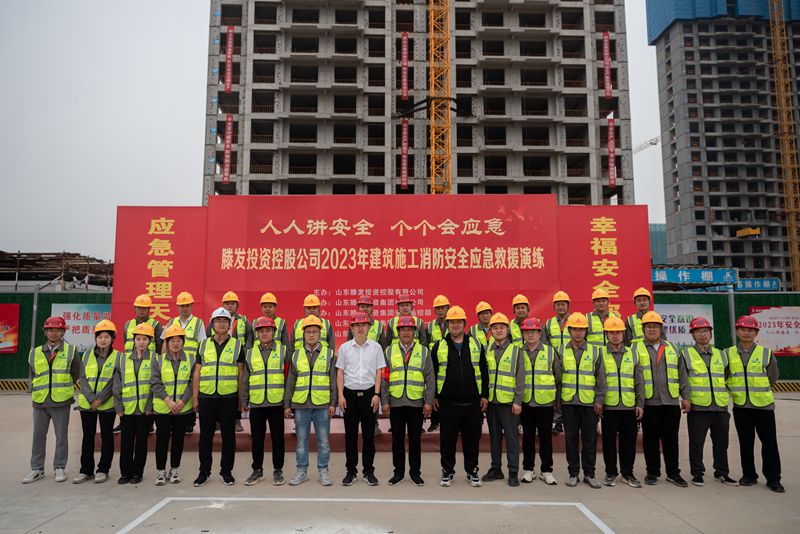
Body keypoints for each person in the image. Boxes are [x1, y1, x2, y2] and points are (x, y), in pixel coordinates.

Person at [431, 306, 489, 487]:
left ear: (465, 324)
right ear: (447, 324)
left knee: (472, 440)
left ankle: (472, 471)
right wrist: (434, 396)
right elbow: (433, 374)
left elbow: (484, 371)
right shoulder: (439, 346)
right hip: (447, 403)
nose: (455, 325)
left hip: (473, 403)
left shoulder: (476, 344)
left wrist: (484, 395)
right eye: (452, 322)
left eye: (458, 322)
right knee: (447, 440)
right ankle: (447, 471)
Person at [632, 311, 689, 487]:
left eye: (655, 326)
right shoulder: (635, 349)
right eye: (648, 326)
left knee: (671, 439)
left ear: (661, 329)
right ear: (643, 329)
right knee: (650, 439)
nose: (652, 329)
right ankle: (652, 472)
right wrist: (638, 402)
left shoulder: (673, 348)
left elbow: (682, 374)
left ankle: (673, 473)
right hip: (649, 402)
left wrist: (685, 397)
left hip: (670, 401)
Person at [727, 315, 784, 492]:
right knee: (745, 442)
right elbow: (725, 376)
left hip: (763, 406)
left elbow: (773, 377)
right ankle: (749, 475)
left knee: (769, 443)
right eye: (743, 329)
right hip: (741, 406)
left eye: (750, 330)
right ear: (737, 331)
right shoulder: (728, 353)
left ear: (756, 333)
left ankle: (773, 478)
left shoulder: (766, 353)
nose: (746, 333)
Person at [22, 316, 80, 484]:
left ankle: (59, 467)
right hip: (40, 401)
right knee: (38, 436)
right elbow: (33, 374)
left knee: (61, 436)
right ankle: (37, 469)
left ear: (63, 332)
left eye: (58, 330)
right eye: (51, 330)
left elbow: (75, 373)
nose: (54, 333)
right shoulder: (35, 352)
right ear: (45, 331)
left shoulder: (71, 351)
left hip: (61, 401)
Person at [192, 307, 246, 487]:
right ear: (212, 324)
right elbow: (197, 372)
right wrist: (195, 398)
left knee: (228, 437)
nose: (221, 324)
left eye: (225, 321)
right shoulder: (203, 345)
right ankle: (204, 472)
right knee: (205, 437)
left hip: (228, 397)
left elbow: (240, 374)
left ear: (230, 325)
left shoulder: (237, 345)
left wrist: (240, 399)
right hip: (207, 397)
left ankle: (226, 472)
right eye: (218, 321)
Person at [682, 317, 738, 487]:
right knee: (696, 443)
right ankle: (697, 473)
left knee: (721, 443)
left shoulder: (721, 355)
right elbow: (683, 379)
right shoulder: (686, 354)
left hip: (720, 407)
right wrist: (685, 398)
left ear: (710, 334)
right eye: (698, 331)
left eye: (705, 331)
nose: (702, 334)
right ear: (693, 335)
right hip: (698, 407)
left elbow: (727, 376)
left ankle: (722, 472)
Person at [382, 315, 435, 486]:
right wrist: (385, 401)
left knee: (415, 441)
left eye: (409, 329)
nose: (406, 332)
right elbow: (384, 378)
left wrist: (428, 402)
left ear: (414, 332)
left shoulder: (424, 351)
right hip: (396, 403)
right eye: (403, 329)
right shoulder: (389, 351)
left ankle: (415, 473)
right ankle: (398, 473)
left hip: (416, 403)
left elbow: (430, 378)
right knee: (397, 441)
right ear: (397, 332)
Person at [284, 315, 337, 486]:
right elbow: (291, 381)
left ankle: (323, 471)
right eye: (308, 332)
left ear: (320, 334)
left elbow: (333, 380)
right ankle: (301, 471)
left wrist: (333, 403)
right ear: (303, 334)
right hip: (301, 404)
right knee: (301, 442)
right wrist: (287, 404)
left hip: (322, 405)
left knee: (324, 441)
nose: (311, 335)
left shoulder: (329, 354)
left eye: (314, 332)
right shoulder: (296, 355)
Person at [337, 312, 385, 486]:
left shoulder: (376, 347)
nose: (360, 328)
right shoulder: (344, 348)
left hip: (369, 395)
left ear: (369, 327)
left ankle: (368, 471)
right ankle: (351, 471)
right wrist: (341, 395)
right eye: (356, 325)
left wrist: (377, 394)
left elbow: (379, 371)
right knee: (350, 436)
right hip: (349, 395)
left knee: (368, 436)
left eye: (363, 325)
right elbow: (340, 372)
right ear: (351, 328)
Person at [560, 312, 606, 489]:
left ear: (586, 331)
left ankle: (589, 474)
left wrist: (599, 400)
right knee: (570, 439)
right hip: (569, 402)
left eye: (581, 329)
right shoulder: (561, 350)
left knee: (589, 440)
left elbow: (601, 378)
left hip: (589, 403)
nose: (578, 332)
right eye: (574, 329)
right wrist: (558, 400)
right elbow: (557, 377)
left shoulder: (595, 351)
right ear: (569, 331)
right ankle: (573, 473)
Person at [241, 317, 288, 486]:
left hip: (276, 402)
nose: (265, 333)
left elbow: (288, 377)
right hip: (257, 402)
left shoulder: (283, 351)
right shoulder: (250, 352)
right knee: (257, 439)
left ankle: (278, 470)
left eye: (268, 330)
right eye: (261, 331)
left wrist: (287, 403)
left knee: (278, 438)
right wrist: (244, 400)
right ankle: (257, 470)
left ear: (274, 332)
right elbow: (245, 378)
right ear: (257, 334)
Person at [73, 320, 120, 484]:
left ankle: (103, 469)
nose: (103, 340)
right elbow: (82, 378)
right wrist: (92, 399)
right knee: (88, 437)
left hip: (107, 405)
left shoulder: (118, 356)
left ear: (112, 338)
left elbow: (115, 380)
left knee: (107, 436)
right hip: (87, 404)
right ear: (95, 338)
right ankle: (86, 470)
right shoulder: (86, 355)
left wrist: (100, 399)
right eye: (100, 336)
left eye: (107, 336)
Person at [600, 317, 645, 488]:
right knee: (609, 442)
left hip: (629, 406)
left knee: (628, 442)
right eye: (611, 332)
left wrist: (640, 403)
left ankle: (627, 473)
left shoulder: (633, 353)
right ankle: (611, 473)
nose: (615, 335)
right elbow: (598, 380)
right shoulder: (600, 353)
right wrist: (599, 402)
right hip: (609, 407)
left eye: (618, 332)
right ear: (606, 334)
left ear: (623, 333)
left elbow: (639, 380)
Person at [481, 312, 525, 487]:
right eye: (495, 328)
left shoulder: (516, 351)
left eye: (502, 327)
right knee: (495, 438)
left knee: (512, 438)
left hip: (509, 403)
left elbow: (520, 378)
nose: (499, 330)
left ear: (507, 330)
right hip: (492, 402)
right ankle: (496, 469)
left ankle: (513, 471)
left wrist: (518, 401)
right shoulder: (487, 350)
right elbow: (485, 376)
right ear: (490, 331)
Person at [150, 324, 195, 485]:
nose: (176, 344)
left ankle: (174, 469)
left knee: (178, 440)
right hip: (163, 408)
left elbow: (192, 383)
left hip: (182, 409)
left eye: (179, 340)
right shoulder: (158, 360)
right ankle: (160, 471)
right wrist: (168, 400)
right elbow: (155, 383)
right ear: (166, 343)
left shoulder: (191, 359)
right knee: (162, 440)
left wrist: (182, 401)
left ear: (183, 342)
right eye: (172, 341)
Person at [519, 317, 560, 485]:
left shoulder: (550, 352)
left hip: (545, 404)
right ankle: (528, 469)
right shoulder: (518, 352)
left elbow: (558, 376)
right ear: (522, 334)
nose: (530, 335)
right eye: (526, 332)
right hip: (526, 402)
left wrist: (556, 401)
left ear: (540, 333)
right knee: (528, 438)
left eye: (533, 331)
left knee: (545, 438)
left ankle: (546, 470)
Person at [114, 322, 155, 484]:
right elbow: (117, 384)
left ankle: (137, 472)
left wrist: (150, 405)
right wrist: (118, 405)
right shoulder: (123, 359)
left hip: (145, 409)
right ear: (133, 340)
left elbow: (155, 384)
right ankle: (125, 473)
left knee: (141, 443)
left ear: (150, 341)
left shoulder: (155, 359)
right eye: (138, 339)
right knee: (126, 442)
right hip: (127, 408)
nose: (141, 342)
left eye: (145, 339)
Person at [165, 291, 206, 434]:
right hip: (173, 361)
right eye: (182, 305)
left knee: (190, 389)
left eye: (187, 305)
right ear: (177, 307)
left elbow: (202, 345)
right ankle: (172, 419)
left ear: (192, 306)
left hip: (192, 363)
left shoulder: (198, 323)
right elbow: (165, 343)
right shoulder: (171, 322)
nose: (184, 308)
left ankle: (190, 422)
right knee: (175, 387)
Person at [544, 291, 571, 434]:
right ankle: (558, 422)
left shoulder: (574, 321)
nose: (561, 307)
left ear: (568, 306)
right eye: (558, 304)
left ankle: (570, 420)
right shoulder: (549, 323)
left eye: (563, 304)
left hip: (572, 361)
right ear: (554, 307)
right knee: (556, 391)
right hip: (554, 362)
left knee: (570, 390)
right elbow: (545, 342)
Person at [425, 295, 450, 432]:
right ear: (434, 310)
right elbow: (425, 345)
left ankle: (448, 421)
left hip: (449, 362)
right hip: (433, 363)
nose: (440, 310)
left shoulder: (453, 323)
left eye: (443, 307)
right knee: (434, 391)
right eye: (438, 308)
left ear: (448, 308)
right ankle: (434, 422)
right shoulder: (429, 326)